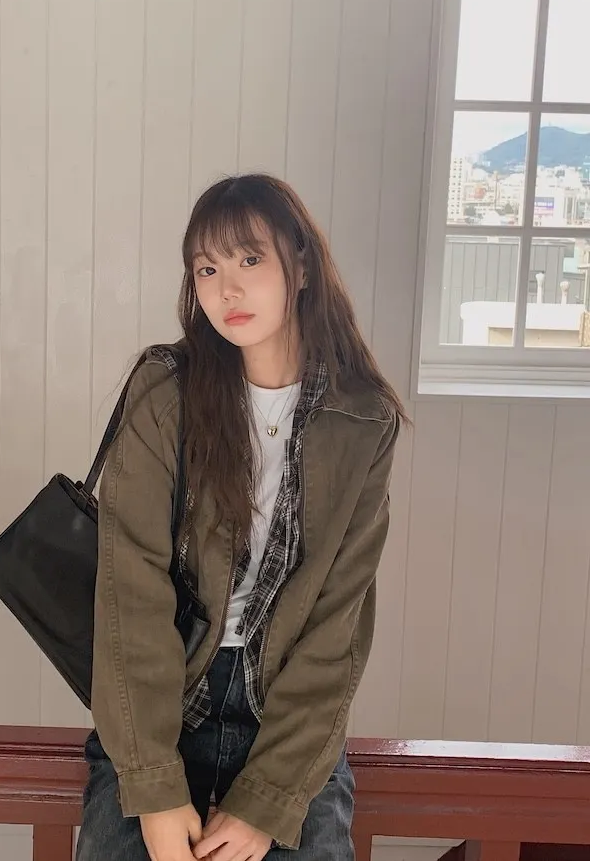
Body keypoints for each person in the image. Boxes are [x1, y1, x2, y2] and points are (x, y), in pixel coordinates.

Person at [75, 174, 408, 861]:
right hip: (163, 707)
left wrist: (268, 800)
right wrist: (154, 786)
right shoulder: (165, 393)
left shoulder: (362, 420)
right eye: (207, 268)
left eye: (250, 259)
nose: (227, 289)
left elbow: (337, 623)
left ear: (302, 266)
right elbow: (129, 590)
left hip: (288, 727)